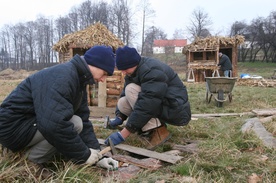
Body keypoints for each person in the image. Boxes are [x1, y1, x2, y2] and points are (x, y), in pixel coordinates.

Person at [0, 45, 119, 172]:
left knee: (78, 121)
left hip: (28, 123)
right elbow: (53, 125)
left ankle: (33, 153)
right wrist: (84, 155)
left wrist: (98, 156)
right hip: (12, 127)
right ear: (95, 63)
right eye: (104, 73)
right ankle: (30, 162)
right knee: (73, 123)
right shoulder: (63, 77)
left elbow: (84, 120)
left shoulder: (78, 81)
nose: (102, 79)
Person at [105, 46, 191, 149]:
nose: (123, 72)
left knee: (131, 89)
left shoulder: (152, 71)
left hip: (175, 108)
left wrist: (123, 134)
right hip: (162, 103)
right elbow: (124, 94)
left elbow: (148, 104)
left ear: (133, 63)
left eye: (125, 69)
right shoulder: (133, 71)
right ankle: (146, 128)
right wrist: (120, 117)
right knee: (122, 102)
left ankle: (158, 130)